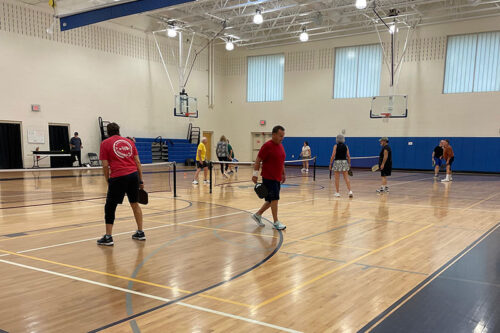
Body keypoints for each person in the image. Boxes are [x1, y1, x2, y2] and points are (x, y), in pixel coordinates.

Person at [97, 123, 145, 246]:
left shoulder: (105, 143)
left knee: (110, 207)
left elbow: (105, 165)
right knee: (135, 204)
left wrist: (108, 180)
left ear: (108, 132)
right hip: (133, 175)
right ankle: (140, 232)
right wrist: (140, 180)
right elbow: (138, 162)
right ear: (119, 131)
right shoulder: (129, 142)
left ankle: (108, 237)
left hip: (118, 177)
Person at [251, 125, 287, 230]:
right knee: (275, 198)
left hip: (277, 177)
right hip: (269, 177)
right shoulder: (267, 146)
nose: (282, 138)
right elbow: (258, 160)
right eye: (280, 136)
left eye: (283, 136)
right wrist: (255, 174)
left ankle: (257, 215)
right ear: (274, 135)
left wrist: (283, 173)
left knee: (271, 200)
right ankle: (276, 222)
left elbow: (281, 160)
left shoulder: (280, 145)